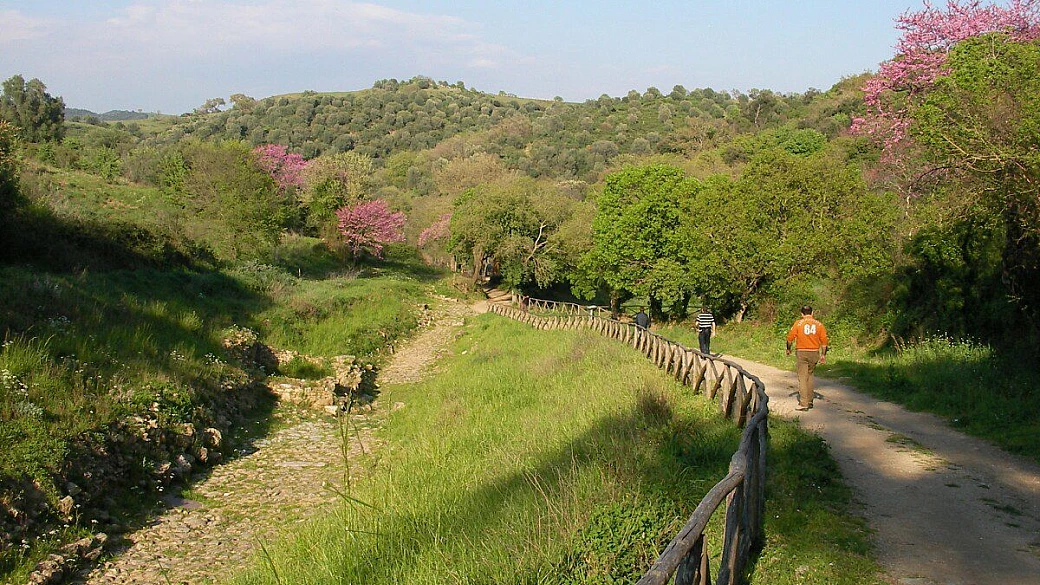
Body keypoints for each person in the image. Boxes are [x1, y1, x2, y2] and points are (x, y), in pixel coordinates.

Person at [785, 305, 828, 411]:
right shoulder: (819, 324)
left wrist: (788, 349)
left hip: (802, 352)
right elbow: (824, 341)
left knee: (802, 377)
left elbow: (790, 338)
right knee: (810, 375)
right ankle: (810, 400)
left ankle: (803, 402)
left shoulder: (798, 323)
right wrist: (823, 355)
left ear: (802, 314)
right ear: (812, 313)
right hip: (814, 352)